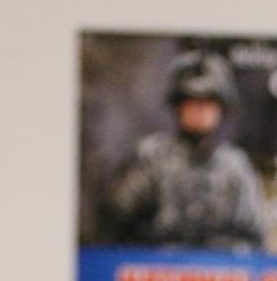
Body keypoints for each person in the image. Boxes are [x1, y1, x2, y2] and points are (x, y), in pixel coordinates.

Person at [104, 51, 266, 252]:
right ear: (178, 106)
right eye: (192, 101)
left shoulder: (236, 167)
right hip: (157, 271)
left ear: (222, 108)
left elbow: (254, 240)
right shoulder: (151, 158)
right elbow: (115, 223)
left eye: (208, 101)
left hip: (217, 274)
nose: (200, 109)